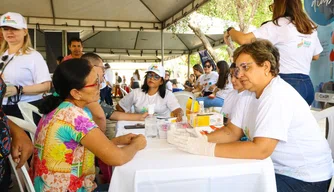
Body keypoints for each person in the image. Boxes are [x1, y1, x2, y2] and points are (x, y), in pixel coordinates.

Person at [172, 40, 333, 192]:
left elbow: (260, 149)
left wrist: (208, 149)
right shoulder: (247, 94)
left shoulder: (276, 95)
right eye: (237, 69)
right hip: (275, 169)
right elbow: (232, 132)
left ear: (266, 67)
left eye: (245, 67)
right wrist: (202, 138)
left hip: (306, 178)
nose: (239, 74)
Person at [31, 58, 147, 192]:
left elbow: (79, 148)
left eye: (99, 79)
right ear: (76, 93)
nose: (101, 83)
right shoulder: (74, 116)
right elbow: (118, 158)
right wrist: (137, 144)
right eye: (95, 83)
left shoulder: (59, 108)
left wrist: (116, 141)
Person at [224, 0, 322, 105]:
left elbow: (243, 39)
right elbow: (316, 55)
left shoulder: (279, 25)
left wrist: (230, 31)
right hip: (307, 84)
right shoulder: (309, 27)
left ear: (279, 6)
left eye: (272, 7)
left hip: (287, 82)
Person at [0, 12, 51, 123]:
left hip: (25, 109)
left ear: (25, 31)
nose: (10, 32)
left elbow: (46, 86)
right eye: (5, 29)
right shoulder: (2, 55)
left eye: (15, 28)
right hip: (3, 109)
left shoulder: (33, 56)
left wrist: (19, 90)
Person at [116, 64, 183, 121]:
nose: (152, 78)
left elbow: (177, 110)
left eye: (156, 77)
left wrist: (179, 114)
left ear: (161, 82)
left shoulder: (168, 94)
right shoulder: (136, 93)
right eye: (150, 75)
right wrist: (130, 117)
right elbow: (120, 106)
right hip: (139, 126)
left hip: (162, 128)